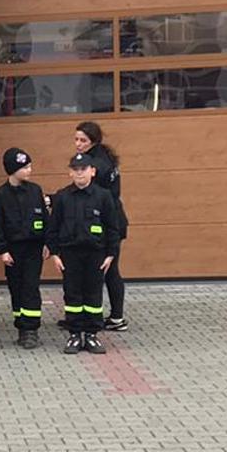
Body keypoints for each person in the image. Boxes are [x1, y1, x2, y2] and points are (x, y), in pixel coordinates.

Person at [51, 152, 122, 354]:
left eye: (84, 169)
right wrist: (55, 253)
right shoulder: (63, 197)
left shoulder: (103, 196)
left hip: (96, 254)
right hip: (70, 254)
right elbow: (53, 227)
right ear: (70, 173)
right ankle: (74, 334)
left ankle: (91, 335)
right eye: (75, 170)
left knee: (93, 294)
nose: (80, 173)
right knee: (72, 294)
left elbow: (112, 227)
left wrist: (111, 254)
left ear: (93, 171)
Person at [73, 121, 130, 332]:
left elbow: (88, 194)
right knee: (109, 270)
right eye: (76, 139)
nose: (78, 144)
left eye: (83, 140)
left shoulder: (97, 164)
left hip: (108, 223)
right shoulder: (102, 157)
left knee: (109, 270)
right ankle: (111, 316)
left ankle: (115, 318)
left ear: (93, 141)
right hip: (112, 220)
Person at [0, 148, 48, 349]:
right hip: (13, 251)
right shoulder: (0, 196)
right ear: (12, 170)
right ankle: (21, 326)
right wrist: (2, 250)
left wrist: (48, 243)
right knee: (16, 288)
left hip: (33, 248)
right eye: (25, 167)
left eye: (30, 166)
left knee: (31, 288)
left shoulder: (35, 191)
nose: (29, 170)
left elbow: (45, 220)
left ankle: (31, 330)